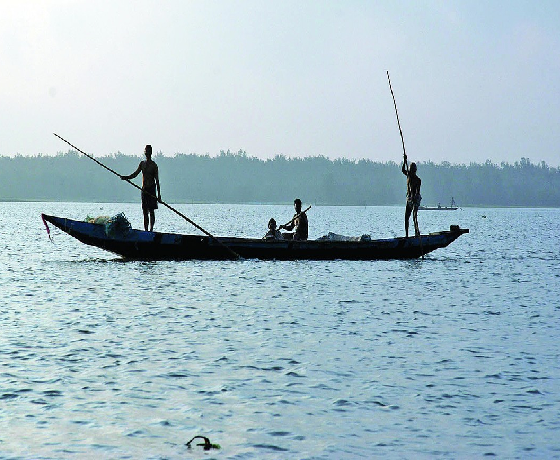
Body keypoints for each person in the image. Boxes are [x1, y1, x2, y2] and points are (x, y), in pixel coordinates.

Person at [121, 145, 161, 232]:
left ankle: (151, 229)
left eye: (148, 151)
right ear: (144, 152)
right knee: (145, 212)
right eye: (146, 151)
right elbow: (135, 174)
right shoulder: (142, 164)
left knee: (151, 211)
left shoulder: (154, 165)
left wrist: (159, 195)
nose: (147, 153)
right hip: (144, 190)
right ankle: (146, 230)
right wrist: (126, 177)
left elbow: (157, 181)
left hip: (151, 190)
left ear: (151, 153)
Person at [402, 153, 421, 237]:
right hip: (409, 198)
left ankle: (417, 232)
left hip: (416, 198)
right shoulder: (409, 176)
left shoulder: (418, 180)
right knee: (406, 217)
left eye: (413, 171)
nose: (412, 172)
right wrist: (405, 161)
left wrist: (414, 198)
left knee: (414, 216)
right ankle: (406, 235)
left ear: (415, 171)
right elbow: (403, 170)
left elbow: (418, 191)